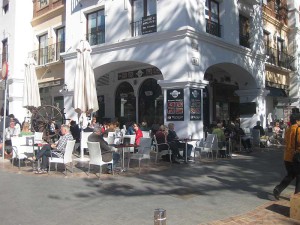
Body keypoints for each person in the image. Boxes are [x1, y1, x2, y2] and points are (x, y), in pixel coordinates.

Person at [273, 113, 300, 199]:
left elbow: (285, 141)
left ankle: (278, 189)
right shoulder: (298, 130)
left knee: (291, 175)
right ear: (297, 121)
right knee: (299, 176)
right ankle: (297, 197)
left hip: (287, 156)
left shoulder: (288, 130)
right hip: (296, 157)